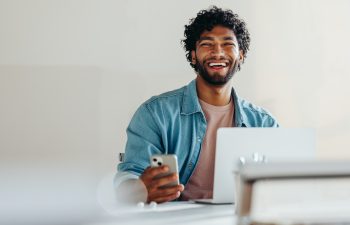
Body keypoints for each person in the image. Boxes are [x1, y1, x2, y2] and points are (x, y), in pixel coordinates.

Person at [115, 6, 278, 204]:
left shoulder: (264, 124)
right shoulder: (155, 114)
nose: (218, 52)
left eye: (227, 44)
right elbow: (127, 177)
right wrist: (139, 190)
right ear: (193, 55)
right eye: (207, 44)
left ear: (241, 55)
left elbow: (279, 184)